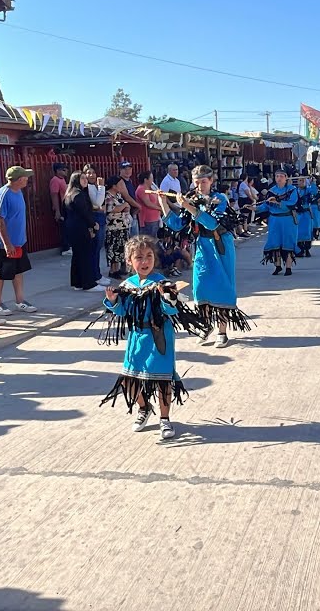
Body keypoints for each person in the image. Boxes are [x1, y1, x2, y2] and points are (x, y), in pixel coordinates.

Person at [99, 235, 198, 440]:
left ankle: (164, 419)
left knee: (162, 379)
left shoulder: (162, 283)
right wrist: (112, 301)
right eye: (139, 257)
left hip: (159, 336)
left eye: (149, 256)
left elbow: (170, 312)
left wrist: (168, 299)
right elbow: (121, 312)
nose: (145, 261)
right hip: (136, 338)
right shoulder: (127, 285)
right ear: (129, 261)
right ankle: (144, 408)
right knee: (130, 380)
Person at [163, 166, 250, 349]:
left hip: (220, 246)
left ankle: (222, 331)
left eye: (203, 181)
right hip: (202, 247)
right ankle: (205, 324)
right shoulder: (192, 199)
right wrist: (163, 202)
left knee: (222, 286)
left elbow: (212, 224)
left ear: (211, 180)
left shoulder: (220, 199)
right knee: (200, 287)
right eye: (196, 182)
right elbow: (178, 225)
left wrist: (187, 206)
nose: (200, 185)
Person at [0, 166, 37, 316]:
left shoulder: (19, 192)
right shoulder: (3, 194)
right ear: (19, 179)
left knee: (18, 271)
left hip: (19, 242)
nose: (27, 179)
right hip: (4, 243)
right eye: (25, 177)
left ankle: (20, 301)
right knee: (0, 274)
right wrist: (7, 243)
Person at [258, 167, 299, 275]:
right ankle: (278, 266)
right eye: (277, 176)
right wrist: (254, 208)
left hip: (287, 220)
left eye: (281, 176)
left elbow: (292, 203)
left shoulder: (292, 190)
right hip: (274, 220)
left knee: (288, 242)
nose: (279, 178)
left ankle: (289, 267)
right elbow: (265, 206)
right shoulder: (271, 191)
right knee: (275, 242)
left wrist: (277, 203)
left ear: (286, 178)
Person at [64, 171, 100, 292]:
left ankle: (77, 282)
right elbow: (84, 213)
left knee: (78, 256)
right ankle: (88, 283)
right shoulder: (78, 195)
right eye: (82, 178)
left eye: (85, 178)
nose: (85, 180)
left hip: (72, 228)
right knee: (86, 255)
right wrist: (93, 225)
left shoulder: (69, 194)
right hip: (81, 228)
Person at [85, 165, 110, 284]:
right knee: (94, 248)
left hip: (101, 217)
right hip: (95, 218)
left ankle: (97, 273)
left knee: (98, 247)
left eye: (93, 172)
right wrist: (101, 186)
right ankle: (95, 275)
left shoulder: (94, 186)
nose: (91, 175)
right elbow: (98, 202)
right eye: (88, 173)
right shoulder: (89, 187)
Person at [103, 180, 133, 280]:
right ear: (114, 185)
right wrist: (123, 206)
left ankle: (118, 269)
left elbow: (126, 206)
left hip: (123, 225)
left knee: (120, 249)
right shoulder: (108, 196)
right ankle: (113, 270)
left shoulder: (119, 195)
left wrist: (124, 207)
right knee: (113, 249)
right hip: (113, 227)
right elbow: (111, 209)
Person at [110, 161, 143, 236]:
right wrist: (138, 206)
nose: (127, 171)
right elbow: (127, 197)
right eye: (125, 169)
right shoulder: (120, 181)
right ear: (120, 170)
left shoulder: (129, 181)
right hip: (124, 215)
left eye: (129, 169)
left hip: (132, 213)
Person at [49, 163, 71, 256]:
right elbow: (54, 195)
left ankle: (68, 246)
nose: (66, 171)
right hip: (61, 207)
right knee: (64, 228)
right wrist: (57, 211)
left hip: (65, 207)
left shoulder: (62, 180)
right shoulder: (55, 180)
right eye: (63, 170)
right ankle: (65, 248)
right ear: (57, 171)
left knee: (68, 227)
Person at [134, 171, 162, 239]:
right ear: (146, 180)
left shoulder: (151, 188)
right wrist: (160, 208)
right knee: (149, 240)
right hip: (148, 219)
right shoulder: (141, 189)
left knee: (154, 239)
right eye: (151, 178)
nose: (152, 180)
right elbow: (148, 203)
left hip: (155, 218)